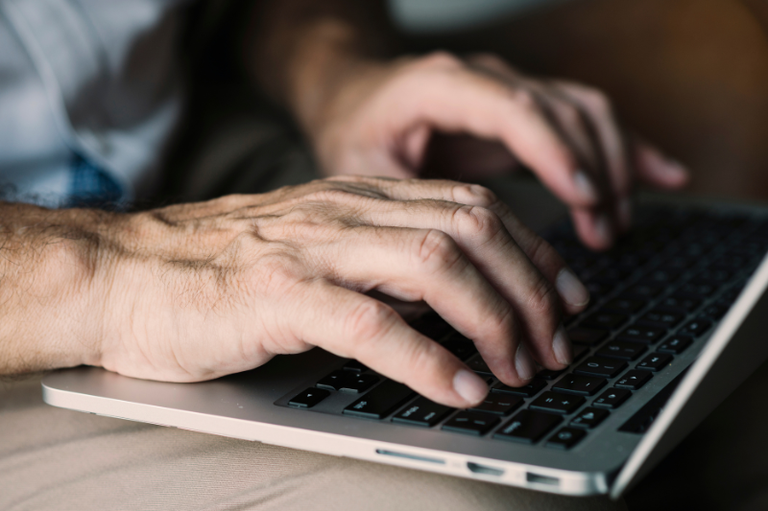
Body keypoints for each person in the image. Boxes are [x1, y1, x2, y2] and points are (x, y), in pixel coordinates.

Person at [0, 1, 687, 509]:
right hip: (35, 317)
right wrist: (98, 273)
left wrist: (334, 77)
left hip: (195, 163)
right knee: (457, 493)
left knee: (671, 352)